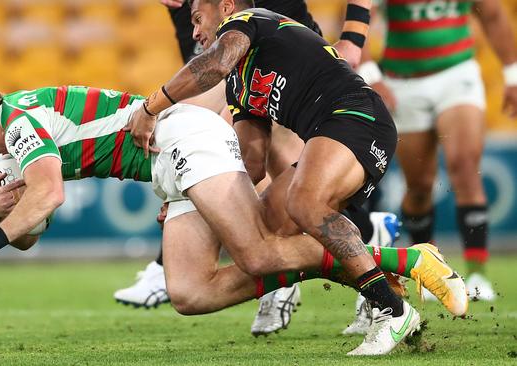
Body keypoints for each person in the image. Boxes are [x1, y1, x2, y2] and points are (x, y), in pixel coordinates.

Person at [0, 71, 466, 356]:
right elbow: (32, 230)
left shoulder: (17, 116)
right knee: (190, 293)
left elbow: (49, 196)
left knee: (256, 251)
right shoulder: (11, 155)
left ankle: (404, 259)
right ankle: (370, 264)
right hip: (166, 170)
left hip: (182, 137)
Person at [115, 0, 393, 338]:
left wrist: (151, 107)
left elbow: (215, 64)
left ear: (227, 7)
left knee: (303, 203)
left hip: (357, 118)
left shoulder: (253, 19)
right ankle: (380, 264)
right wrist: (196, 198)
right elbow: (250, 164)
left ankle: (392, 308)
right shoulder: (240, 85)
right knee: (264, 237)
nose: (195, 33)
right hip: (331, 128)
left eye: (198, 20)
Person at [357, 0, 517, 302]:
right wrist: (371, 74)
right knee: (418, 187)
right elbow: (359, 16)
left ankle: (477, 271)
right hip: (404, 82)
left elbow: (493, 14)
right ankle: (433, 266)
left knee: (466, 167)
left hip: (457, 74)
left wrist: (512, 76)